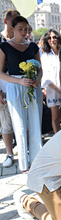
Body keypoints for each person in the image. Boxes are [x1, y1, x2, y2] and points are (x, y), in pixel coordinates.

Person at [0, 15, 43, 172]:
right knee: (19, 124)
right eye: (20, 29)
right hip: (14, 86)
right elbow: (0, 73)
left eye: (26, 29)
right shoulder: (4, 47)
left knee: (35, 122)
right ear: (12, 28)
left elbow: (40, 69)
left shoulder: (33, 46)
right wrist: (19, 81)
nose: (24, 32)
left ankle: (37, 160)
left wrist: (37, 79)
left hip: (33, 87)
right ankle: (24, 163)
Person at [0, 9, 20, 167]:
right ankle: (8, 153)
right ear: (6, 21)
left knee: (22, 119)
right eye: (13, 21)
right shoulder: (0, 39)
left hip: (20, 85)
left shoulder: (22, 39)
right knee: (6, 122)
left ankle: (24, 148)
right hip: (2, 85)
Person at [41, 29, 61, 134]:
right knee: (56, 116)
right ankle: (58, 138)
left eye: (54, 37)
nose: (52, 40)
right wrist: (59, 90)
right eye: (49, 38)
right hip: (52, 89)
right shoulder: (45, 56)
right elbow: (45, 77)